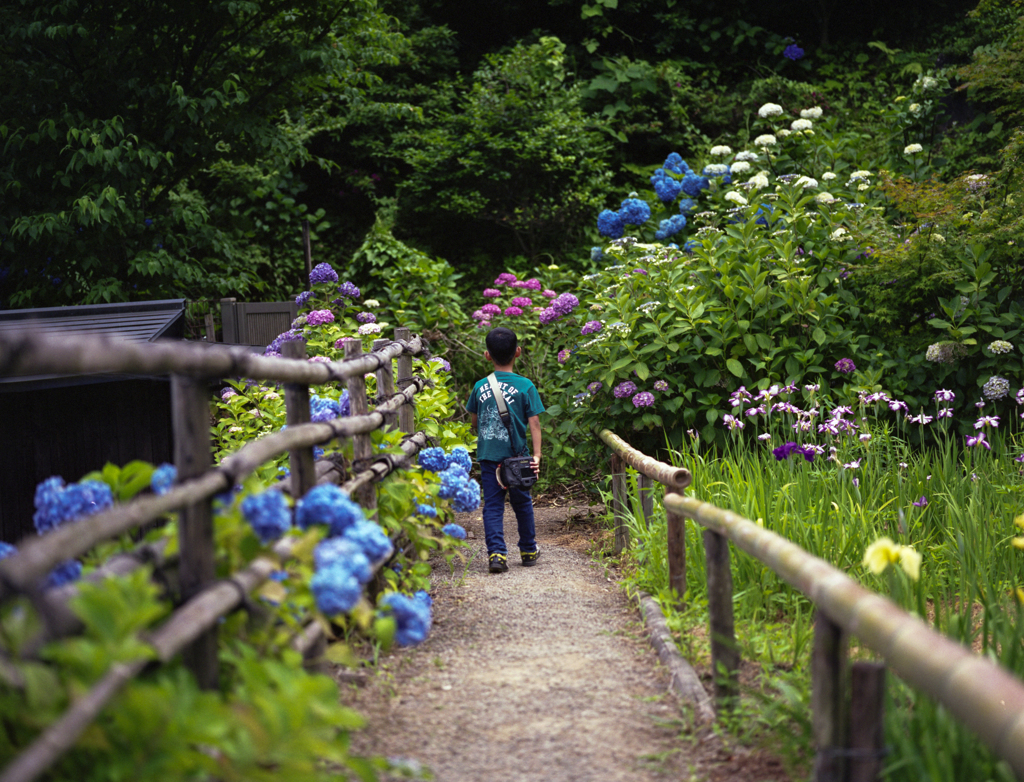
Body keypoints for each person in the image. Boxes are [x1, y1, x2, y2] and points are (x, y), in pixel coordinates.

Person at [466, 327, 544, 573]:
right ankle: (528, 550)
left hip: (489, 456)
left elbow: (474, 423)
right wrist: (537, 456)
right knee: (522, 503)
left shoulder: (480, 386)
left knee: (492, 505)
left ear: (487, 355)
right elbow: (535, 424)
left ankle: (497, 555)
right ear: (518, 352)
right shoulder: (526, 385)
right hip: (518, 458)